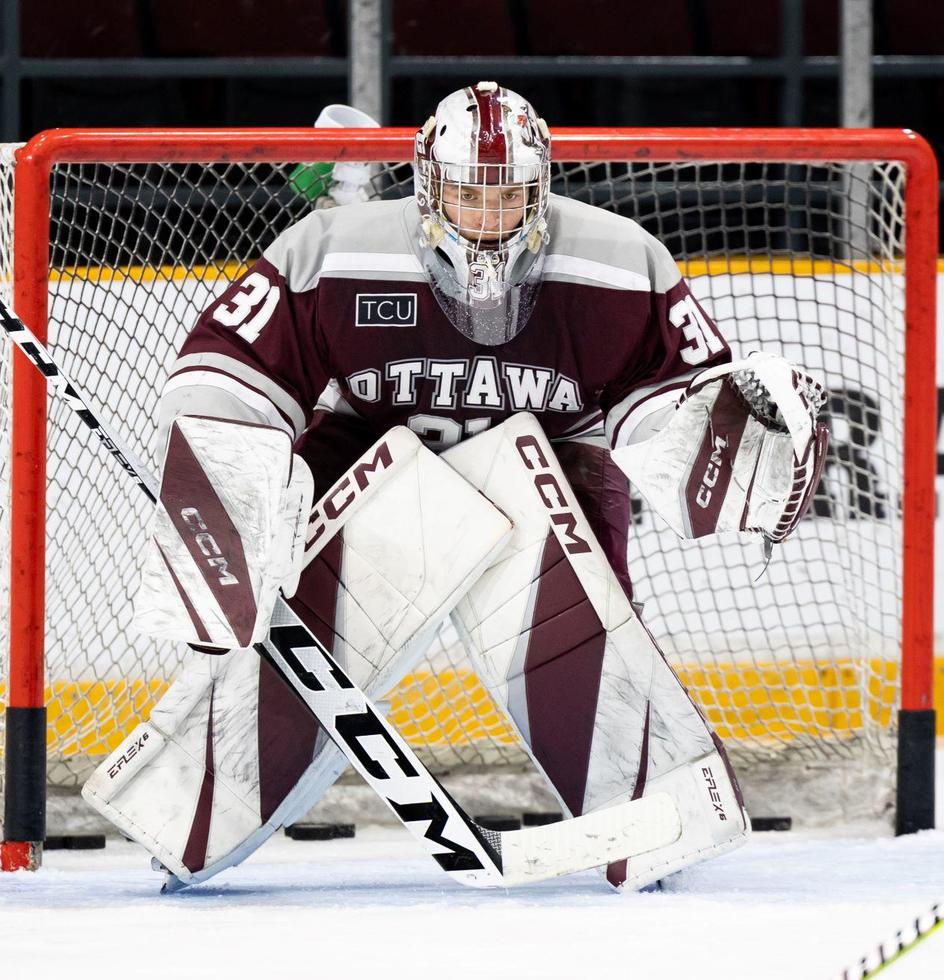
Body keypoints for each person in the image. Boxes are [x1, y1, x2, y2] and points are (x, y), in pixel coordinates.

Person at [90, 82, 830, 894]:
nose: (490, 215)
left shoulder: (618, 263)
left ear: (542, 189)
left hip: (553, 467)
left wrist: (732, 433)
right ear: (427, 186)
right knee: (293, 623)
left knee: (581, 615)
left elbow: (668, 416)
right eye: (469, 196)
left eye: (509, 195)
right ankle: (188, 808)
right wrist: (225, 483)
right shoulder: (336, 248)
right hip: (371, 456)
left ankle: (647, 805)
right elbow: (231, 368)